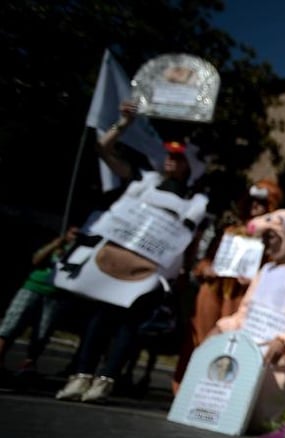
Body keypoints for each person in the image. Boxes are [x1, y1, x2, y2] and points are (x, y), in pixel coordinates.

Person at [55, 100, 208, 403]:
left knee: (129, 324)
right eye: (169, 156)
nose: (170, 161)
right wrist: (123, 124)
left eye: (178, 159)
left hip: (149, 270)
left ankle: (106, 380)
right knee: (98, 317)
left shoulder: (197, 202)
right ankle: (80, 375)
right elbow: (103, 149)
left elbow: (190, 241)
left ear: (190, 166)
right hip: (112, 258)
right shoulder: (145, 181)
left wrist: (182, 277)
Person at [208, 208, 285, 433]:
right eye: (264, 237)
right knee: (229, 410)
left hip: (276, 358)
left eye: (272, 236)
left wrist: (284, 341)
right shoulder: (265, 270)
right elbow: (245, 312)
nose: (266, 243)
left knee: (260, 420)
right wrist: (221, 327)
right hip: (245, 349)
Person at [171, 179, 283, 393]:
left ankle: (214, 393)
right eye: (252, 201)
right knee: (199, 340)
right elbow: (205, 260)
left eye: (262, 203)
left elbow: (274, 274)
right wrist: (206, 268)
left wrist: (256, 280)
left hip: (242, 298)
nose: (255, 206)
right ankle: (184, 389)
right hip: (213, 290)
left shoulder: (273, 241)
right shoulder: (230, 229)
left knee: (229, 346)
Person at [0, 225, 79, 380]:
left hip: (55, 294)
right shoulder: (54, 244)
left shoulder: (78, 252)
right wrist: (55, 246)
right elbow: (36, 260)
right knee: (12, 324)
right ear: (66, 232)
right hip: (32, 288)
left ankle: (29, 364)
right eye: (72, 233)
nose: (74, 237)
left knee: (43, 331)